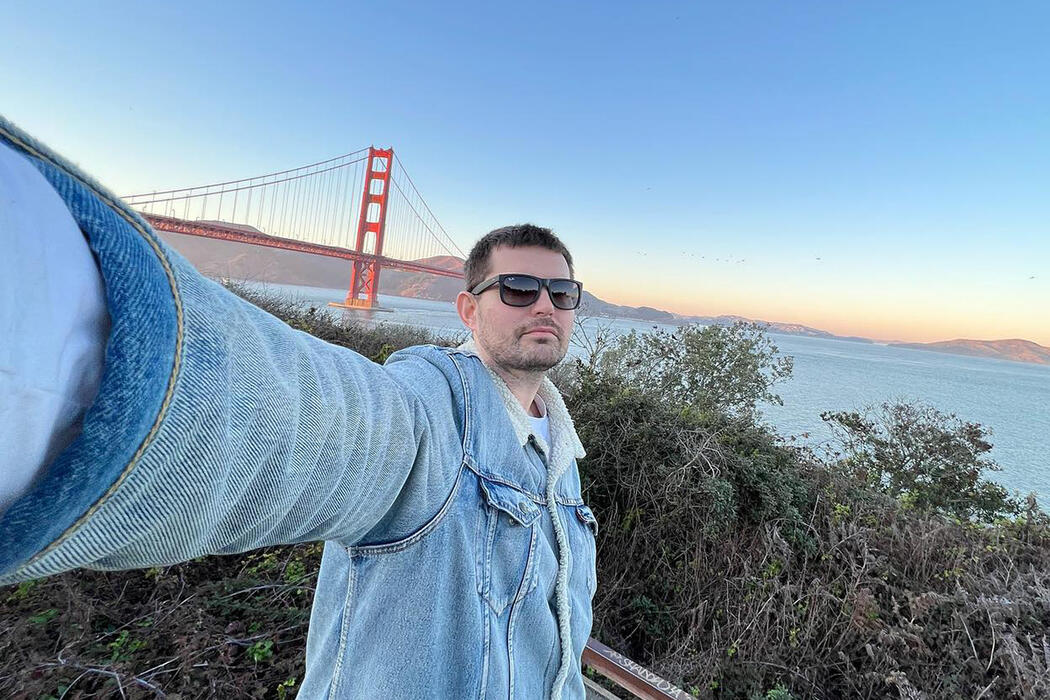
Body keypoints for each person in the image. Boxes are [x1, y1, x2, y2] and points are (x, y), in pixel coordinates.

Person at [0, 115, 598, 699]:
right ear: (468, 310)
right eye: (519, 288)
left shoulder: (561, 457)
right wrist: (57, 348)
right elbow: (307, 416)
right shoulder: (431, 413)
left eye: (562, 292)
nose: (544, 305)